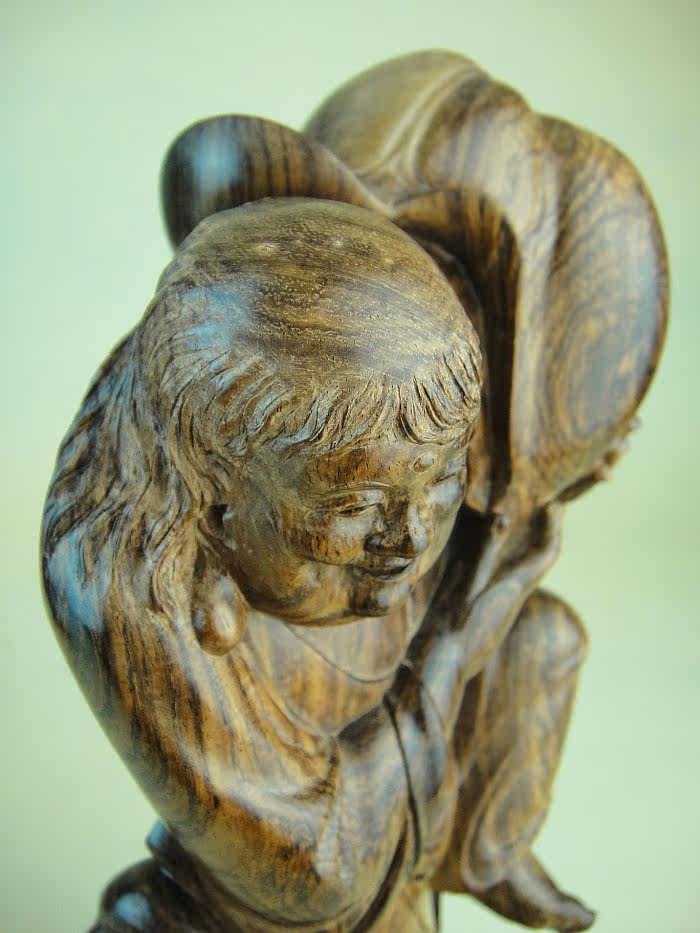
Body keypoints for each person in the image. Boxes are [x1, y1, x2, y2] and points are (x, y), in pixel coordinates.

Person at [42, 199, 592, 932]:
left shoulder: (388, 438)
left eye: (439, 480)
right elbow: (314, 867)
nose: (409, 537)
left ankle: (482, 850)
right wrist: (454, 638)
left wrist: (566, 442)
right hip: (251, 897)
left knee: (542, 638)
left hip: (376, 802)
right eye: (356, 504)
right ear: (217, 499)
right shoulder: (124, 570)